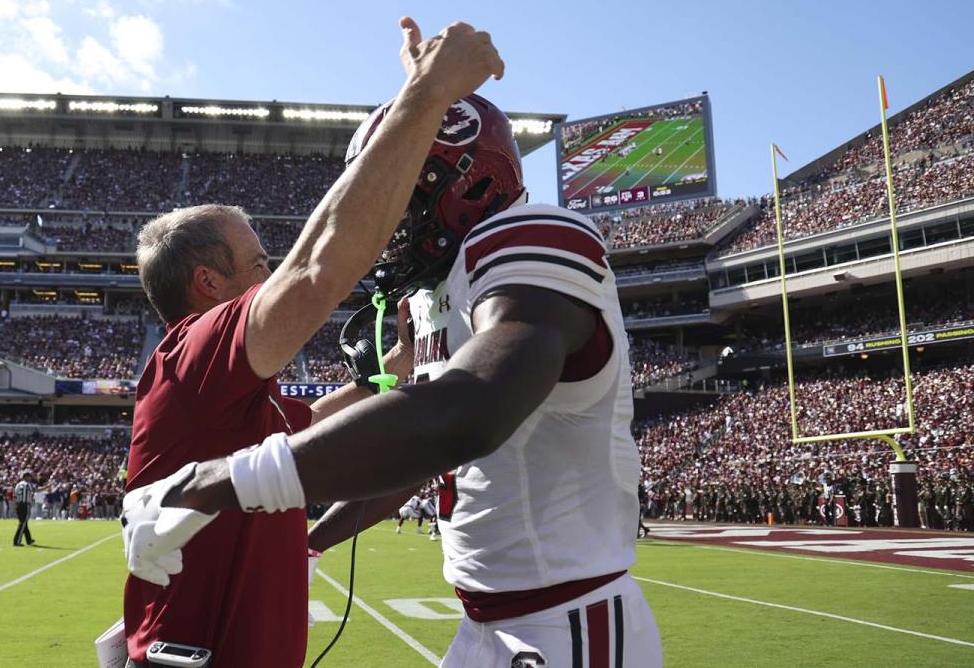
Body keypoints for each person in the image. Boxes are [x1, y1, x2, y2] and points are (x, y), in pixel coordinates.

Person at [128, 88, 663, 666]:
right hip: (488, 617)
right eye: (259, 264)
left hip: (565, 617)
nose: (386, 222)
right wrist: (314, 536)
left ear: (464, 184)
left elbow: (467, 413)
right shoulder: (438, 294)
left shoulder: (527, 236)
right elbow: (420, 450)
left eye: (398, 194)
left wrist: (227, 482)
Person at [118, 17, 504, 668]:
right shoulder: (193, 352)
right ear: (208, 284)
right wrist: (430, 92)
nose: (271, 273)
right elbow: (317, 271)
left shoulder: (227, 399)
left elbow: (312, 424)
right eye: (258, 262)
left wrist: (385, 378)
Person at [13, 470, 36, 547]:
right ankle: (16, 541)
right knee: (23, 523)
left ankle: (29, 540)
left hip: (18, 504)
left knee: (24, 523)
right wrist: (46, 488)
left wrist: (16, 506)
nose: (30, 478)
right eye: (29, 477)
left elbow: (15, 496)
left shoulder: (18, 485)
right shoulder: (27, 484)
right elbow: (35, 490)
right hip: (25, 505)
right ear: (26, 477)